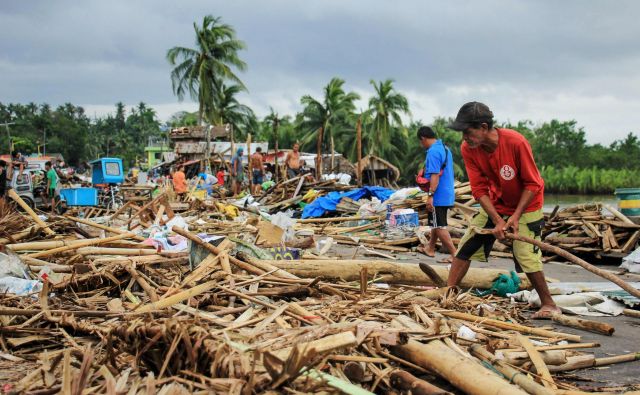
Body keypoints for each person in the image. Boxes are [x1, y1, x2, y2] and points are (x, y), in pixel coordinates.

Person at [447, 101, 560, 318]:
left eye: (468, 132)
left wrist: (515, 217)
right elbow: (479, 189)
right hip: (496, 204)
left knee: (526, 253)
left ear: (483, 127)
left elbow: (532, 184)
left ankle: (548, 304)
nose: (465, 138)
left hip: (527, 205)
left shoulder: (515, 142)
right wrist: (498, 220)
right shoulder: (469, 149)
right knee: (468, 244)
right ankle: (448, 292)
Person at [417, 126, 456, 263]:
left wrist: (430, 195)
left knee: (439, 227)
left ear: (423, 138)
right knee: (435, 223)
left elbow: (434, 176)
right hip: (447, 193)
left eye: (421, 142)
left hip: (438, 195)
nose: (422, 145)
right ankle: (430, 248)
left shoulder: (433, 152)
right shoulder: (445, 148)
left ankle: (455, 255)